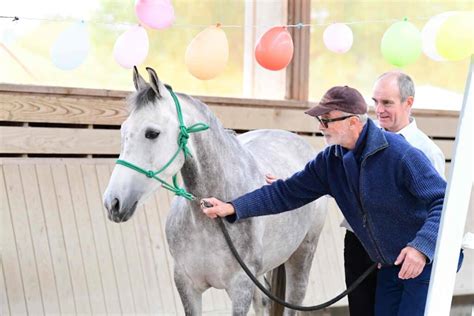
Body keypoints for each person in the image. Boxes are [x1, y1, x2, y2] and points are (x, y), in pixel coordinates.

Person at [200, 85, 456, 316]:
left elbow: (445, 201)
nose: (320, 126)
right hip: (392, 263)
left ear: (354, 122)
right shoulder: (329, 161)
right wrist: (234, 207)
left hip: (427, 258)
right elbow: (286, 193)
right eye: (319, 120)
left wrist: (421, 248)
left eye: (327, 120)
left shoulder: (400, 154)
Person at [341, 71, 446, 316]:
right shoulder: (360, 142)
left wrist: (418, 248)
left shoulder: (426, 151)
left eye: (387, 102)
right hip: (360, 243)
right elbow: (338, 181)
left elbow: (437, 207)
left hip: (402, 252)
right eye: (375, 102)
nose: (379, 110)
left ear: (408, 103)